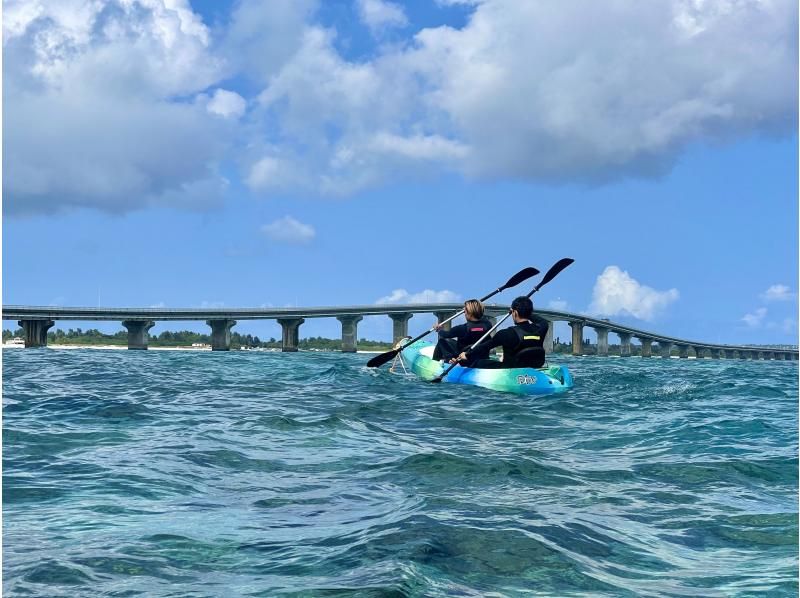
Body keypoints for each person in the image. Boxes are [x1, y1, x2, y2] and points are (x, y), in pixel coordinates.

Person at [453, 296, 548, 369]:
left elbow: (484, 347)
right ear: (530, 311)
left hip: (511, 371)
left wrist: (466, 355)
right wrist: (525, 310)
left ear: (514, 313)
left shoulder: (506, 333)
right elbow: (541, 320)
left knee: (479, 362)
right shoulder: (541, 328)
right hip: (534, 368)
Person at [432, 299, 492, 366]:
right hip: (481, 357)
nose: (464, 312)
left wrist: (438, 329)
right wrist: (476, 308)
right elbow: (481, 318)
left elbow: (445, 334)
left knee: (442, 341)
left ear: (469, 312)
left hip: (463, 359)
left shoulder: (461, 328)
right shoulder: (488, 325)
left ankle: (446, 362)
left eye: (465, 310)